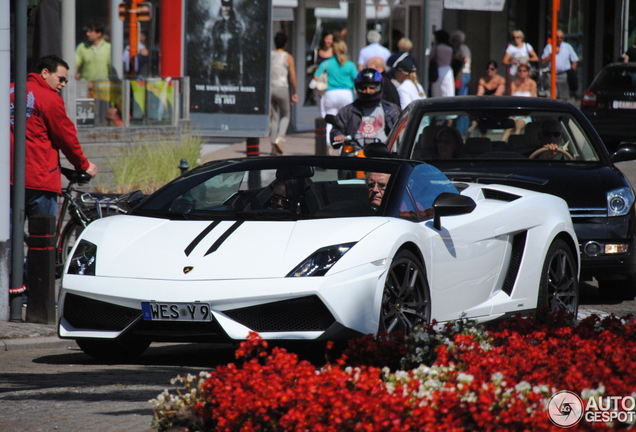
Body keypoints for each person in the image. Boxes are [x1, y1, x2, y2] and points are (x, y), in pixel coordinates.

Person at [330, 68, 401, 145]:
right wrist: (338, 135)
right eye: (364, 88)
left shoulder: (391, 110)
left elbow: (401, 131)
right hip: (354, 152)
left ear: (379, 87)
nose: (368, 91)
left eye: (372, 88)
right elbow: (337, 128)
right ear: (357, 88)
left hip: (383, 153)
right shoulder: (347, 111)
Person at [313, 40, 358, 142]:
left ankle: (328, 142)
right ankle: (345, 144)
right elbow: (357, 78)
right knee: (346, 119)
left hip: (330, 93)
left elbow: (316, 77)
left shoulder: (326, 63)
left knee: (330, 119)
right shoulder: (350, 65)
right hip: (346, 94)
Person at [269, 32, 298, 155]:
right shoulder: (288, 57)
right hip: (282, 88)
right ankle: (280, 139)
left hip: (270, 89)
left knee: (274, 117)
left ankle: (273, 146)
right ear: (286, 44)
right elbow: (292, 77)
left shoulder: (270, 55)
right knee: (286, 115)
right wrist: (295, 92)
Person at [210, 0, 243, 86]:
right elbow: (213, 49)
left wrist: (240, 71)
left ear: (231, 7)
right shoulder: (217, 26)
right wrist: (212, 71)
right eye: (224, 6)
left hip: (233, 68)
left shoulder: (237, 26)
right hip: (218, 67)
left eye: (228, 6)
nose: (226, 9)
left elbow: (240, 50)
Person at [541, 29, 579, 101]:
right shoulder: (549, 47)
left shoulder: (567, 47)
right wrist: (553, 53)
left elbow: (575, 60)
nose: (559, 39)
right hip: (552, 74)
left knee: (564, 96)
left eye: (561, 37)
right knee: (552, 95)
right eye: (557, 37)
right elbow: (543, 61)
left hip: (564, 74)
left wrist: (571, 71)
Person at [431, 30, 455, 98]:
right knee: (448, 91)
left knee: (437, 91)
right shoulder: (450, 48)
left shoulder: (437, 48)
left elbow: (431, 57)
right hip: (448, 70)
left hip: (438, 69)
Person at [450, 30, 472, 96]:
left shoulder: (462, 48)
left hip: (463, 73)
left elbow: (465, 59)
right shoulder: (459, 48)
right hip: (462, 73)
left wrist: (455, 58)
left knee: (461, 92)